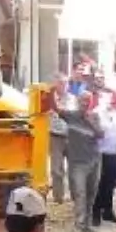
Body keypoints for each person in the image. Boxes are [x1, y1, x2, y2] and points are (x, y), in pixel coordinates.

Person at [57, 90, 103, 232]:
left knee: (91, 193)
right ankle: (79, 225)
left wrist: (88, 120)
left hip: (94, 160)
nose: (85, 103)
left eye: (87, 101)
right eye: (82, 100)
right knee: (80, 193)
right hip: (77, 162)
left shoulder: (94, 116)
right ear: (77, 101)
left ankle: (87, 225)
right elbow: (55, 109)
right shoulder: (70, 115)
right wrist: (52, 91)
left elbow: (100, 134)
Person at [92, 91, 116, 226]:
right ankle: (96, 211)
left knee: (110, 183)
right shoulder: (96, 113)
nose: (111, 103)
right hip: (100, 152)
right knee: (99, 183)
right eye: (108, 100)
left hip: (113, 152)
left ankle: (107, 210)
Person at [48, 74, 73, 205]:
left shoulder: (72, 99)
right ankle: (59, 198)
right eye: (61, 83)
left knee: (74, 168)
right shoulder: (48, 100)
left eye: (65, 83)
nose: (64, 86)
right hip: (55, 136)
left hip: (71, 137)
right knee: (57, 170)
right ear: (55, 85)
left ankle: (75, 196)